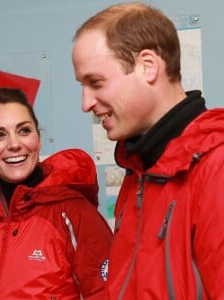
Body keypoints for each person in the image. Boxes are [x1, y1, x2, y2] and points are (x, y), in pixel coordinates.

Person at [72, 2, 224, 299]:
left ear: (147, 66)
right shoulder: (139, 170)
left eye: (96, 82)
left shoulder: (216, 168)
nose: (85, 103)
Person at [0, 87, 112, 300]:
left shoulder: (75, 213)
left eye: (24, 130)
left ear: (38, 139)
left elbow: (108, 293)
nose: (14, 144)